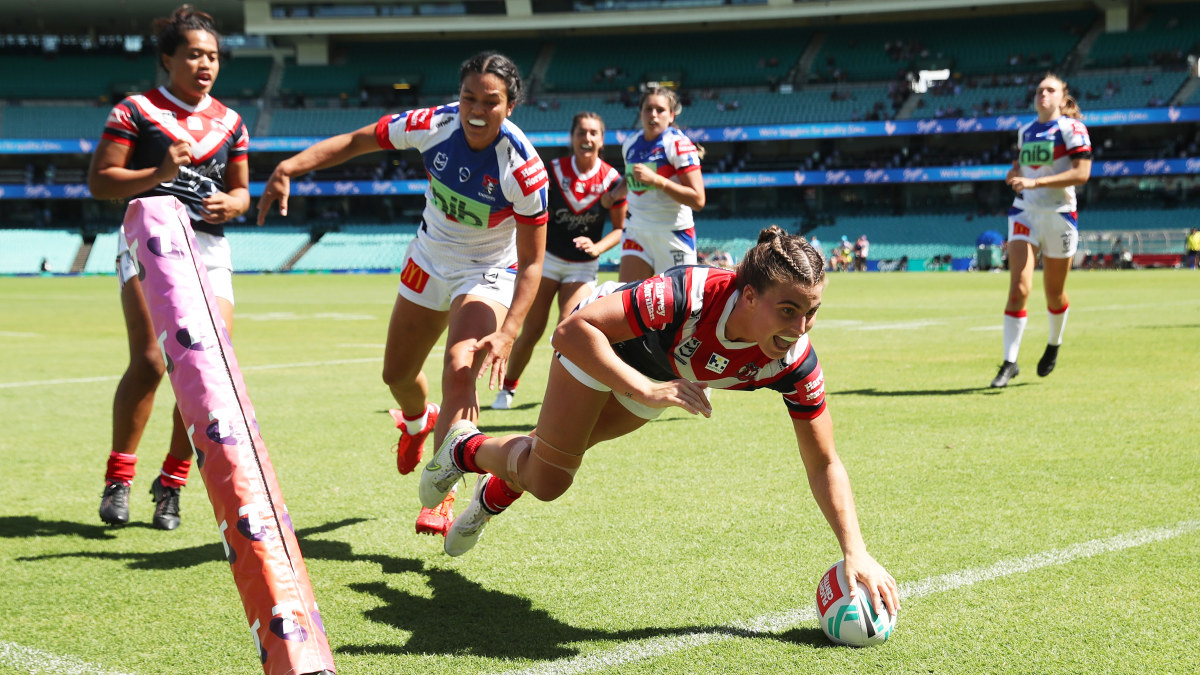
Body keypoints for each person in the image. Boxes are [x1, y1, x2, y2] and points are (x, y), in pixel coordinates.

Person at [417, 226, 901, 621]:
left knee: (550, 457)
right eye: (788, 311)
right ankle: (464, 447)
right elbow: (572, 331)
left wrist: (854, 550)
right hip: (602, 344)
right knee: (551, 481)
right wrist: (642, 389)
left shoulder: (794, 362)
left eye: (811, 313)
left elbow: (824, 462)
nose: (799, 329)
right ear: (749, 296)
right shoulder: (691, 295)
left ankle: (489, 492)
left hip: (665, 377)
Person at [256, 51, 549, 535]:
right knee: (396, 372)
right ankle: (416, 420)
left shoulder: (523, 169)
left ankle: (444, 487)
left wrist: (511, 329)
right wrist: (291, 166)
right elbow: (357, 140)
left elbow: (534, 261)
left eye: (490, 102)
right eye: (468, 97)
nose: (476, 110)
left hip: (487, 272)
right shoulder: (432, 125)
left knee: (460, 369)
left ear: (511, 106)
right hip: (429, 260)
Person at [88, 4, 250, 530]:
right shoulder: (135, 110)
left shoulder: (231, 121)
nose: (206, 64)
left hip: (208, 248)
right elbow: (102, 182)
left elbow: (243, 192)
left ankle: (172, 483)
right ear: (168, 59)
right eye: (195, 55)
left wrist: (235, 204)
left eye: (214, 56)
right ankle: (119, 477)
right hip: (147, 239)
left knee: (206, 369)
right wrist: (158, 171)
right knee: (153, 362)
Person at [492, 112, 626, 410]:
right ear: (572, 137)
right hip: (547, 260)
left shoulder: (612, 180)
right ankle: (507, 388)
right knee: (532, 329)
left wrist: (597, 246)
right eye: (581, 132)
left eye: (593, 133)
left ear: (601, 140)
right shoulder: (552, 170)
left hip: (582, 266)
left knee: (568, 328)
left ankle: (562, 397)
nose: (587, 138)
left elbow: (619, 228)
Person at [992, 72, 1091, 388]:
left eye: (1050, 90)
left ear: (1063, 98)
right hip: (1025, 212)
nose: (1042, 94)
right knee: (1019, 288)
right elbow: (1021, 168)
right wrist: (1015, 174)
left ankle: (1054, 343)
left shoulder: (1073, 129)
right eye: (1038, 90)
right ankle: (1009, 362)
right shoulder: (1025, 131)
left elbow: (1082, 173)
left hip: (1060, 215)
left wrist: (1036, 182)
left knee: (1054, 292)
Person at [617, 87, 705, 283]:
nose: (653, 115)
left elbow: (698, 200)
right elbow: (631, 179)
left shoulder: (679, 145)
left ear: (671, 115)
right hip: (636, 231)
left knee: (676, 310)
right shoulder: (630, 144)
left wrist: (656, 180)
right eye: (648, 109)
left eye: (660, 110)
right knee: (626, 303)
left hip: (674, 234)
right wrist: (614, 194)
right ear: (640, 113)